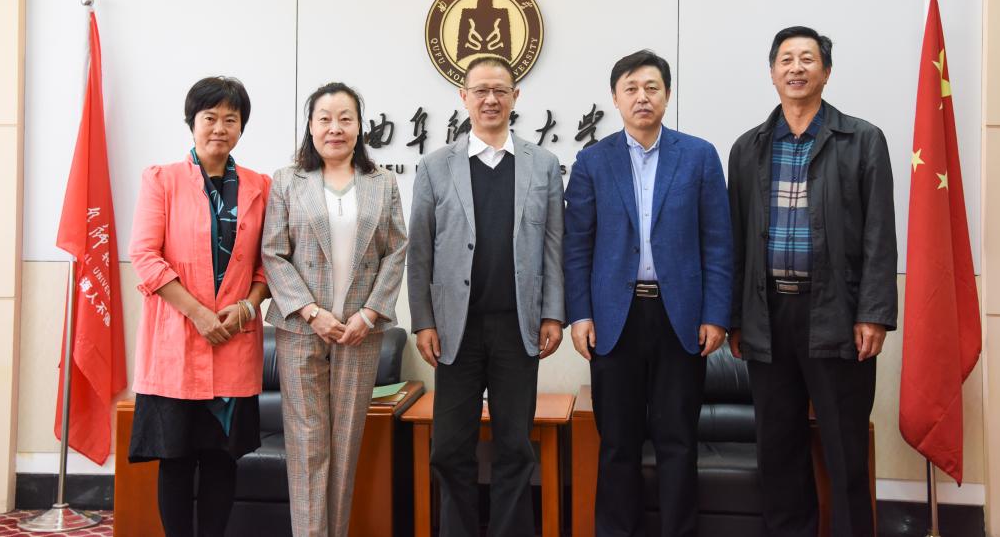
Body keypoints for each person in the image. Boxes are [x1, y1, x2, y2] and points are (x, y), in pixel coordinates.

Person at [727, 26, 897, 537]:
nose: (796, 68)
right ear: (772, 73)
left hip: (836, 314)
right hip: (767, 316)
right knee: (778, 448)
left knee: (845, 449)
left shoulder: (861, 140)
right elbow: (735, 240)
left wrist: (873, 314)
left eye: (807, 58)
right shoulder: (748, 148)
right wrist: (737, 318)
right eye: (786, 59)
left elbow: (879, 233)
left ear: (826, 71)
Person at [564, 49, 733, 536]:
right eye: (631, 88)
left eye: (652, 87)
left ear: (667, 95)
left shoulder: (699, 156)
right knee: (618, 443)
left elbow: (718, 242)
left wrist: (716, 314)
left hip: (681, 318)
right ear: (615, 98)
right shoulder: (593, 161)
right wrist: (581, 315)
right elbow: (577, 245)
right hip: (614, 319)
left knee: (678, 440)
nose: (642, 97)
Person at [407, 56, 565, 537]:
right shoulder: (435, 166)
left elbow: (554, 245)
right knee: (449, 448)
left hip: (518, 327)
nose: (490, 99)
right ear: (464, 97)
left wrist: (553, 314)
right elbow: (420, 251)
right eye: (480, 90)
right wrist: (423, 321)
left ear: (516, 96)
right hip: (456, 330)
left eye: (500, 90)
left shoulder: (543, 165)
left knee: (515, 447)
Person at [261, 82, 407, 537]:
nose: (335, 128)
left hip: (359, 333)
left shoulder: (383, 182)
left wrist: (369, 314)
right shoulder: (288, 181)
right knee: (307, 447)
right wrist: (309, 311)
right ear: (310, 126)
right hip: (302, 331)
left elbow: (396, 251)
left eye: (345, 118)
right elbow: (273, 253)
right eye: (324, 119)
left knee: (345, 446)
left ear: (360, 126)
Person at [128, 76, 271, 537]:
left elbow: (270, 265)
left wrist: (246, 308)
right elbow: (145, 256)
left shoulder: (260, 186)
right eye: (210, 118)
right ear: (192, 122)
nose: (220, 128)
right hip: (176, 343)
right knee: (175, 460)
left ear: (242, 127)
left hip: (234, 342)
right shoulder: (162, 180)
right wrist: (198, 313)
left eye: (231, 119)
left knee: (221, 460)